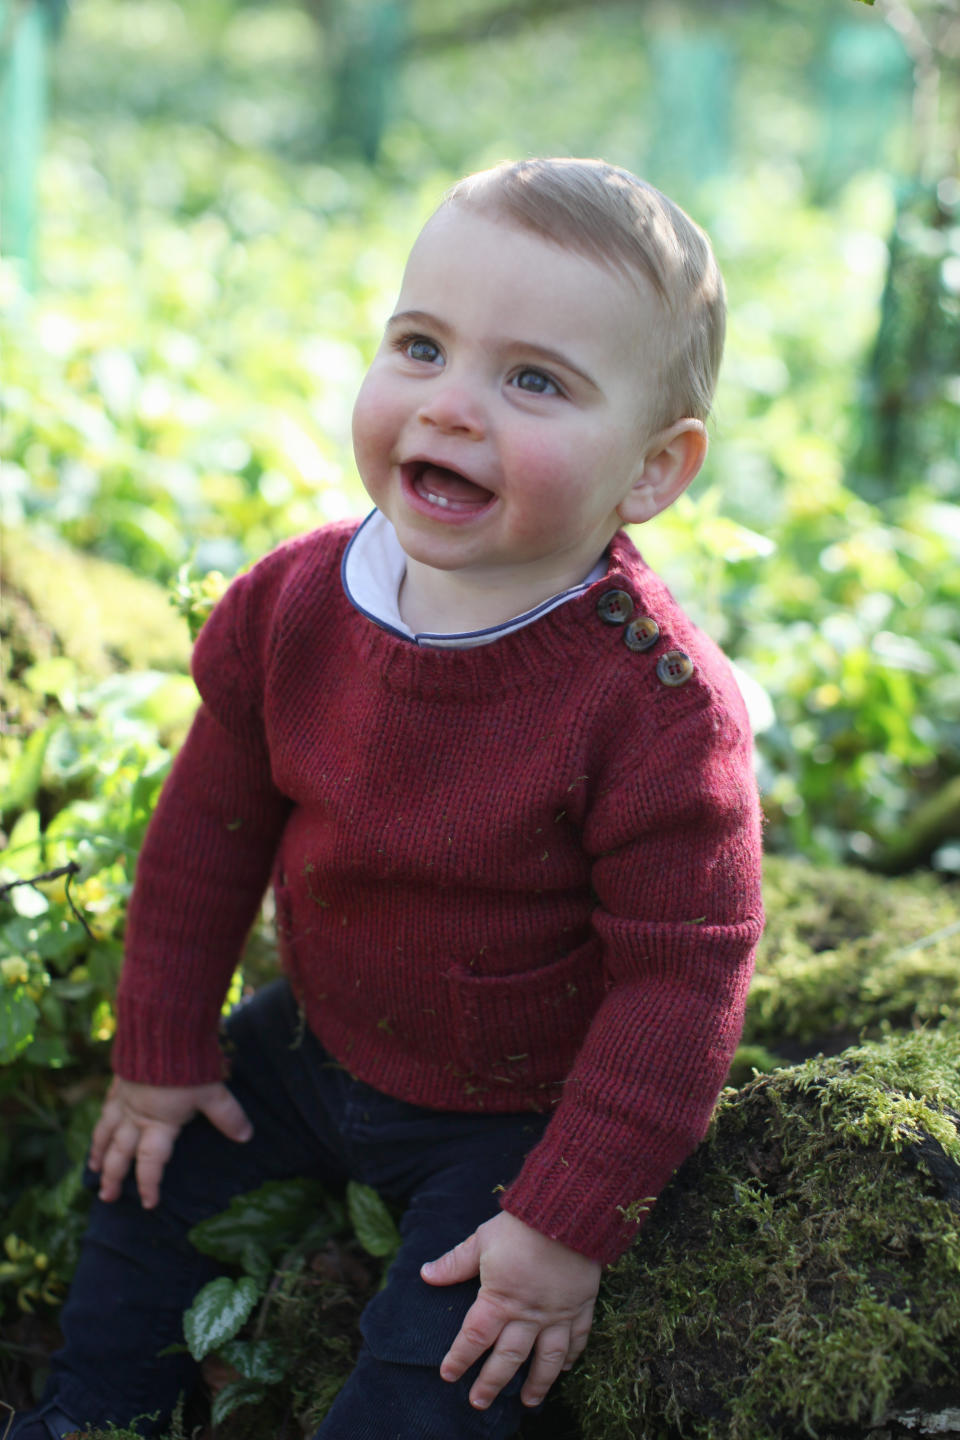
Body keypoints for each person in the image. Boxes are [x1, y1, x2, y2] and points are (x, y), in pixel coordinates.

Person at [12, 157, 764, 1440]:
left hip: (516, 1109)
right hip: (313, 1039)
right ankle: (90, 1410)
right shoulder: (299, 602)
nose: (453, 406)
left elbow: (683, 978)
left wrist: (566, 1220)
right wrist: (162, 1049)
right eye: (422, 346)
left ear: (653, 470)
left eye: (534, 380)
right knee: (142, 1191)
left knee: (455, 1362)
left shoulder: (652, 706)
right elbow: (212, 831)